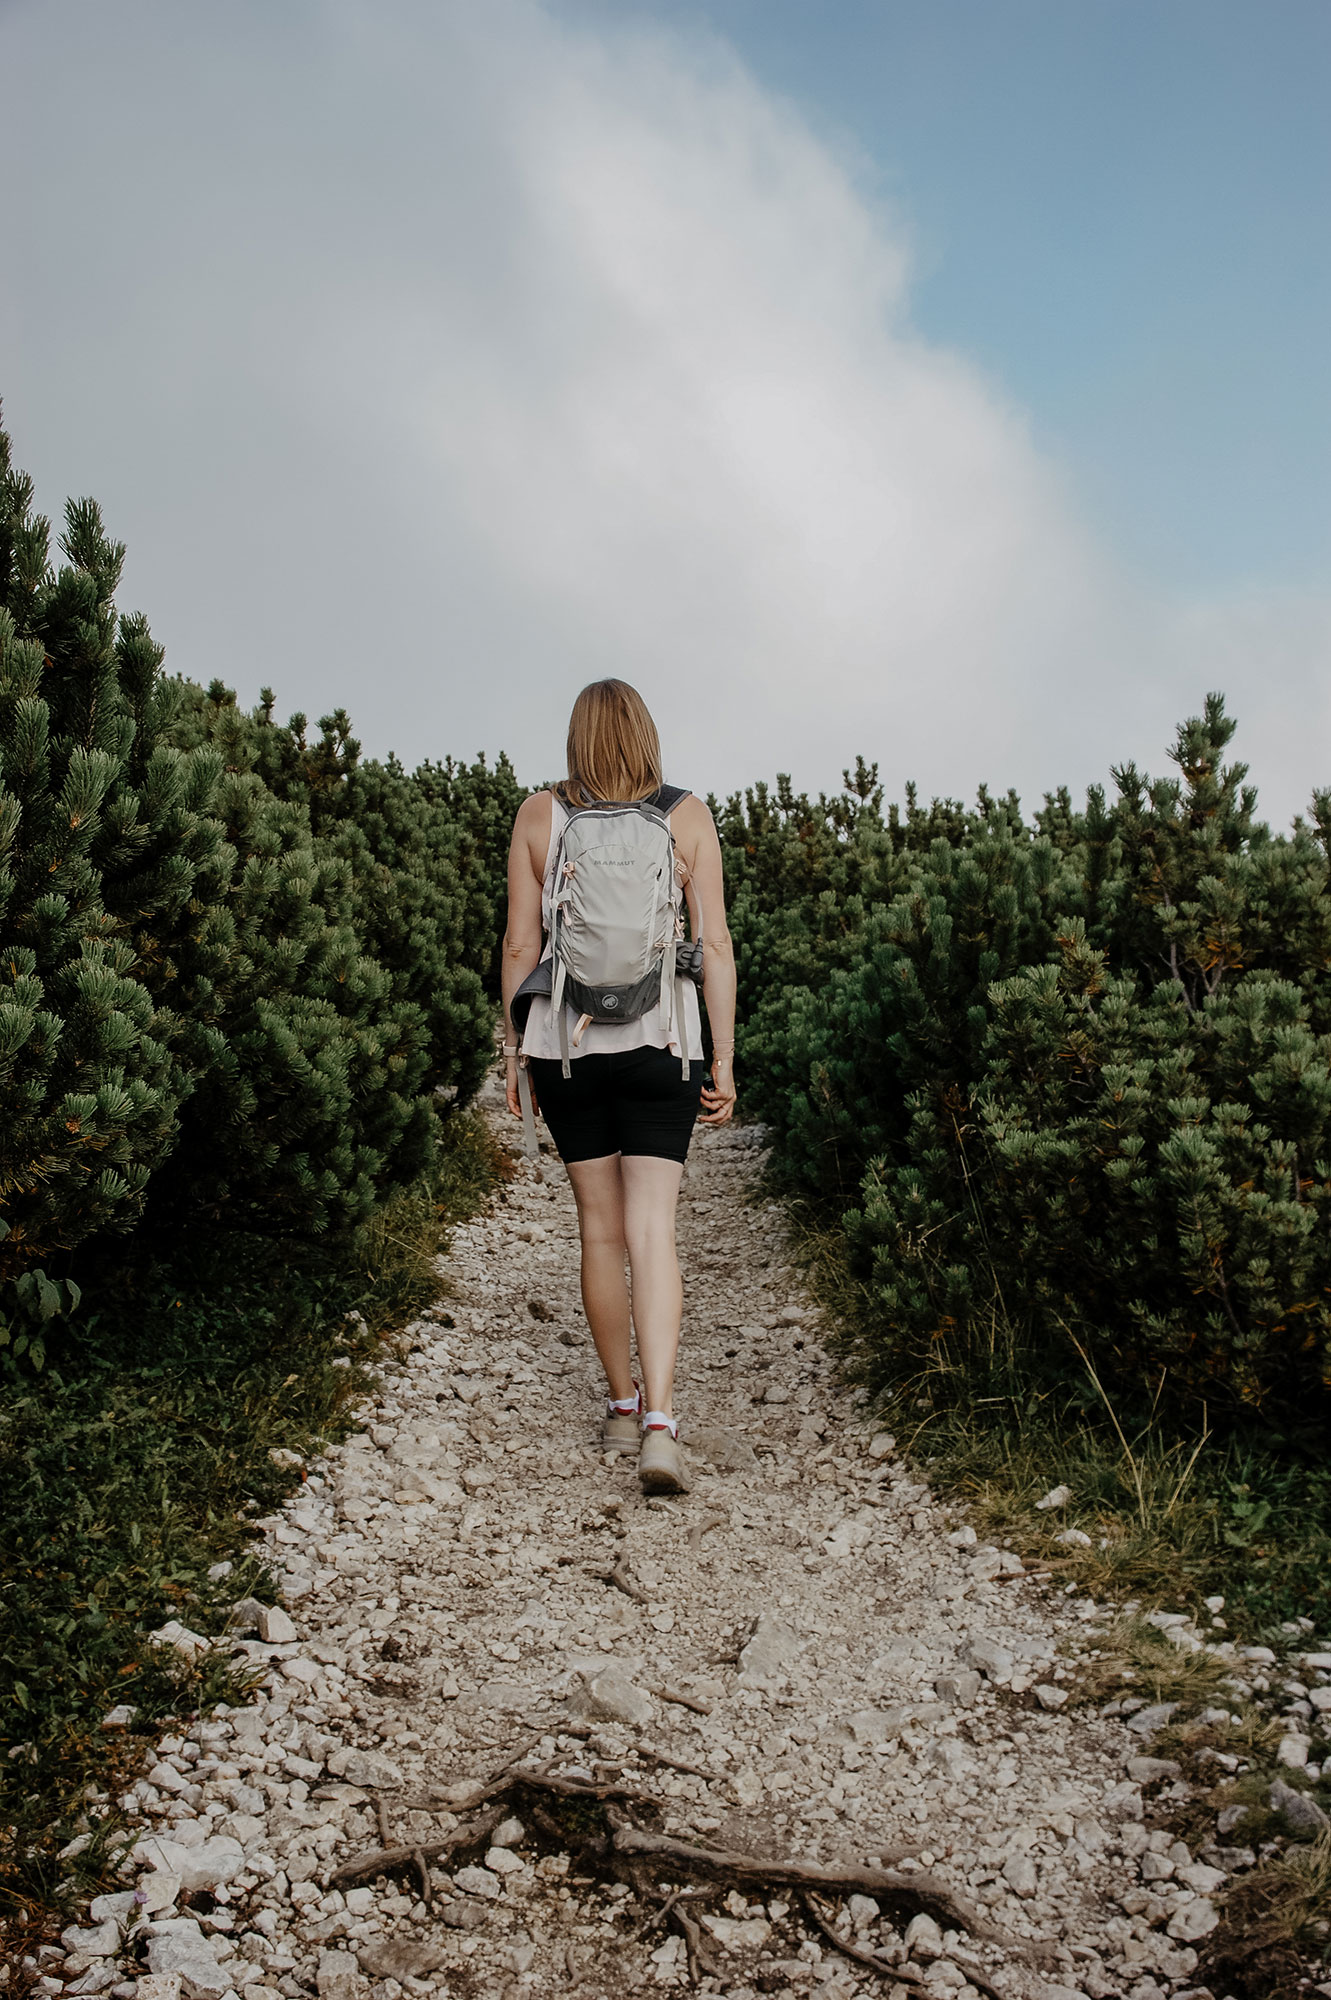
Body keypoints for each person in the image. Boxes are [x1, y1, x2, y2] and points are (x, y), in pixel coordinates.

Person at [501, 680, 737, 1494]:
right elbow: (716, 949)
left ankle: (622, 1404)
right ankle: (664, 1426)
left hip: (564, 1048)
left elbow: (517, 947)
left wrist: (512, 1052)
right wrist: (724, 1059)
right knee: (652, 1230)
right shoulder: (687, 814)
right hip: (663, 1042)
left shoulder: (539, 815)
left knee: (598, 1230)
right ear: (645, 733)